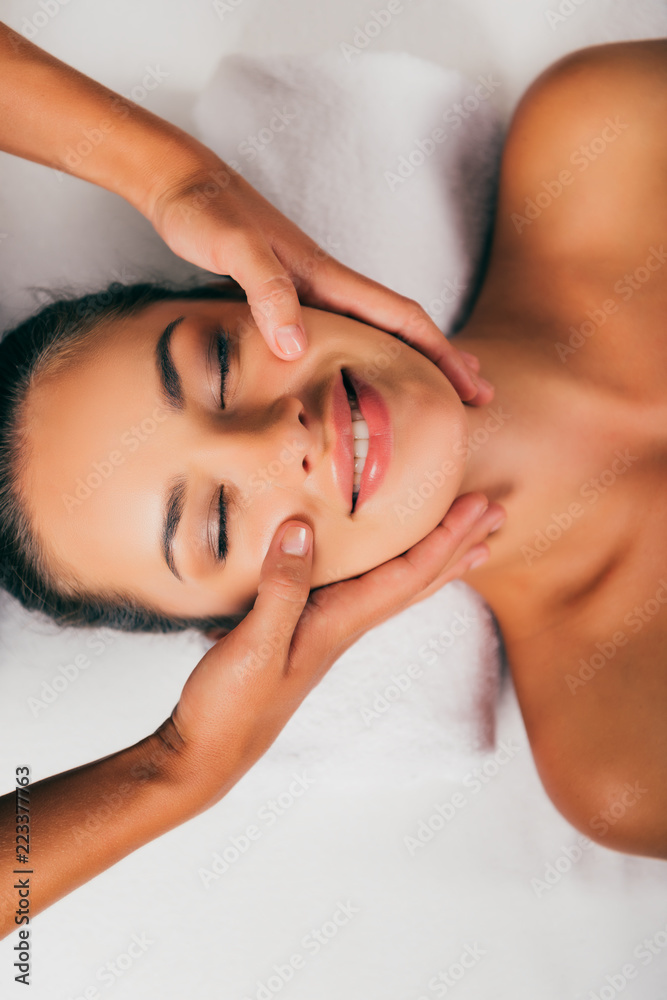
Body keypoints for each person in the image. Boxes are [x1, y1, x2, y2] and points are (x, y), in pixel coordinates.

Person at [0, 21, 502, 936]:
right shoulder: (614, 766)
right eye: (220, 530)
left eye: (221, 367)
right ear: (257, 633)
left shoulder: (601, 133)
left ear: (243, 280)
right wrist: (178, 768)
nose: (285, 443)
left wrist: (180, 181)